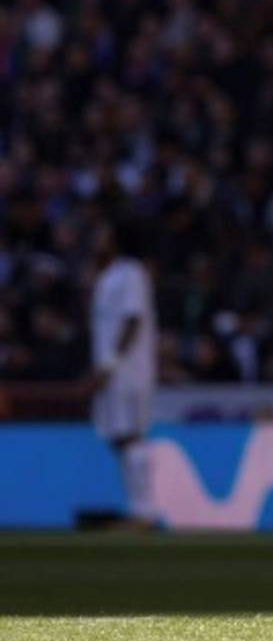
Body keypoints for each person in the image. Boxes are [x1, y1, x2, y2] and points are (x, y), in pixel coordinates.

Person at [87, 220, 159, 529]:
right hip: (113, 369)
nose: (97, 238)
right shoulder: (109, 276)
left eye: (103, 232)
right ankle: (138, 508)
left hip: (129, 370)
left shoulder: (131, 272)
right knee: (118, 437)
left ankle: (144, 512)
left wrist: (113, 362)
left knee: (130, 434)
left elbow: (133, 319)